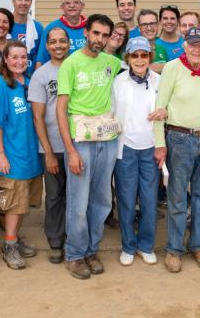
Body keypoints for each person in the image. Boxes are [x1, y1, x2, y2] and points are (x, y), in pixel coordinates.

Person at [56, 14, 121, 279]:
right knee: (78, 203)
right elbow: (60, 110)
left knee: (102, 200)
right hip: (80, 143)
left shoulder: (111, 62)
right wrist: (70, 150)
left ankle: (92, 249)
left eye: (105, 35)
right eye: (96, 33)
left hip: (107, 140)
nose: (100, 40)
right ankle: (74, 254)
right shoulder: (70, 64)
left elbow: (143, 69)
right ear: (86, 32)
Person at [154, 27, 200, 273]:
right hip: (180, 139)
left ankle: (199, 246)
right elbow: (160, 107)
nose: (197, 49)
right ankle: (173, 250)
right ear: (185, 45)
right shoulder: (172, 68)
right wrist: (160, 144)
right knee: (178, 198)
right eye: (193, 44)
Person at [0, 40, 43, 270]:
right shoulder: (0, 85)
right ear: (6, 60)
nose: (19, 61)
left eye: (23, 57)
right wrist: (0, 154)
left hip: (28, 155)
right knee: (12, 206)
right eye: (14, 57)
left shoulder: (28, 83)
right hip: (10, 157)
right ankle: (9, 246)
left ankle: (15, 239)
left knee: (21, 205)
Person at [112, 37, 163, 267]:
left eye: (144, 55)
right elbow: (111, 112)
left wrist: (165, 112)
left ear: (150, 57)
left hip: (151, 148)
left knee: (150, 200)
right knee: (126, 199)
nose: (140, 59)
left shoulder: (159, 81)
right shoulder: (118, 82)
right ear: (128, 58)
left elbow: (168, 108)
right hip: (126, 149)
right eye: (135, 55)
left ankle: (146, 245)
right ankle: (128, 246)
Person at [29, 27, 71, 264]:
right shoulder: (41, 75)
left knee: (76, 196)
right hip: (53, 146)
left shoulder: (77, 67)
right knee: (55, 195)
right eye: (53, 42)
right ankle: (56, 241)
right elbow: (38, 116)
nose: (58, 45)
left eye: (62, 41)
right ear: (46, 46)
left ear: (68, 43)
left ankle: (75, 238)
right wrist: (48, 153)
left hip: (78, 145)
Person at [35, 0, 88, 68]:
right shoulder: (51, 28)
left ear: (82, 5)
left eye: (76, 2)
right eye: (67, 3)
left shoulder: (90, 27)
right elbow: (41, 59)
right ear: (62, 7)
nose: (72, 6)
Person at [10, 0, 44, 75]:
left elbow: (40, 57)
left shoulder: (38, 28)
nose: (23, 3)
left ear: (31, 2)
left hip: (29, 79)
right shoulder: (2, 26)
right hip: (6, 79)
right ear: (13, 1)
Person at [137, 9, 169, 73]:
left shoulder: (162, 49)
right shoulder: (134, 51)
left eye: (152, 23)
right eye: (144, 24)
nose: (149, 28)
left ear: (158, 25)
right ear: (139, 28)